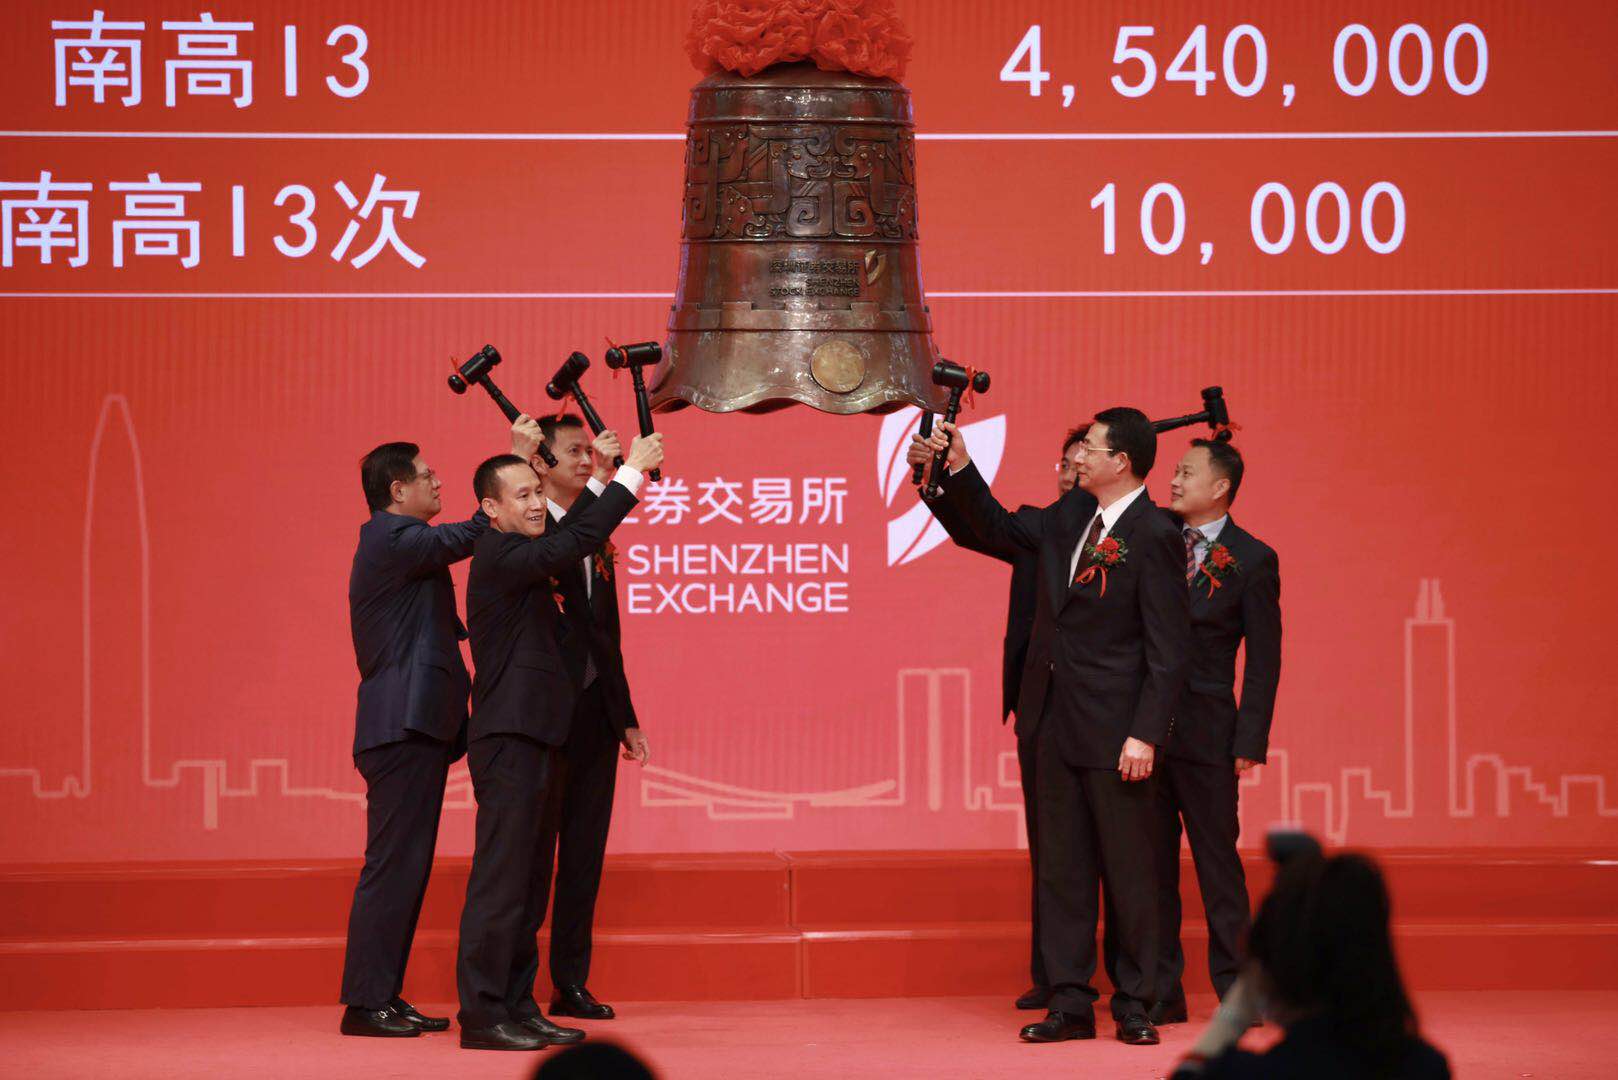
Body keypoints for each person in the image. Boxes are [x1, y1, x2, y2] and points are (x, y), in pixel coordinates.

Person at [924, 408, 1190, 1046]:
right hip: (1051, 721)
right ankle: (1070, 1001)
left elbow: (1168, 648)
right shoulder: (1070, 515)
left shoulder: (1157, 533)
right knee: (1062, 870)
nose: (1078, 457)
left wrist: (1146, 733)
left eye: (1090, 448)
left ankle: (1135, 1001)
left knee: (1128, 870)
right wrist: (957, 465)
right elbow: (995, 527)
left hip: (1117, 733)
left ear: (1121, 461)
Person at [455, 434, 665, 1052]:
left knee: (526, 882)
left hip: (537, 736)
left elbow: (570, 540)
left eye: (536, 493)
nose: (535, 504)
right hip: (508, 738)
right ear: (490, 508)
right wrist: (628, 475)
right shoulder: (498, 552)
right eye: (522, 495)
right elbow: (572, 540)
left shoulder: (529, 551)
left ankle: (518, 1005)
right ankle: (483, 1014)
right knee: (502, 882)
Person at [340, 417, 543, 1038]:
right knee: (393, 865)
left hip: (414, 729)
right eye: (427, 476)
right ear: (397, 490)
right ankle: (365, 1003)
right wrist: (512, 464)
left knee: (407, 865)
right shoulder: (391, 536)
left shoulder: (403, 544)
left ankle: (382, 994)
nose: (437, 482)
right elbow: (466, 534)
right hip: (399, 726)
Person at [904, 422, 1088, 1010]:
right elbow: (980, 528)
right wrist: (937, 473)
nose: (1070, 474)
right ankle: (1056, 975)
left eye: (1082, 463)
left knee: (1119, 853)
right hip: (1042, 708)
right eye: (1064, 465)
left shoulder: (1138, 534)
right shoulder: (1041, 528)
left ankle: (1140, 983)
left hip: (1109, 716)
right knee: (1051, 847)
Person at [1149, 438, 1282, 1023]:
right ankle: (1160, 990)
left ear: (1220, 487)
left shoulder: (1253, 559)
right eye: (1174, 471)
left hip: (1208, 733)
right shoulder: (1152, 539)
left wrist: (1249, 739)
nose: (1174, 481)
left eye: (1186, 472)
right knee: (1151, 865)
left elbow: (1265, 660)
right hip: (1145, 731)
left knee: (1217, 864)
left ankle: (1238, 989)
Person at [527, 416, 651, 1024]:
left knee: (583, 855)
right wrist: (613, 480)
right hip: (542, 717)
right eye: (573, 451)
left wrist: (624, 715)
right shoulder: (531, 526)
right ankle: (512, 987)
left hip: (594, 714)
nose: (587, 459)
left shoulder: (594, 533)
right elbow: (568, 537)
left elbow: (607, 635)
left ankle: (570, 981)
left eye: (589, 451)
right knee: (532, 855)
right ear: (540, 463)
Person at [1172, 850, 1451, 1079]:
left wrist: (1237, 1007)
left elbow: (1190, 1072)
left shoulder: (1245, 1072)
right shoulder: (1427, 1067)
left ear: (1270, 969)